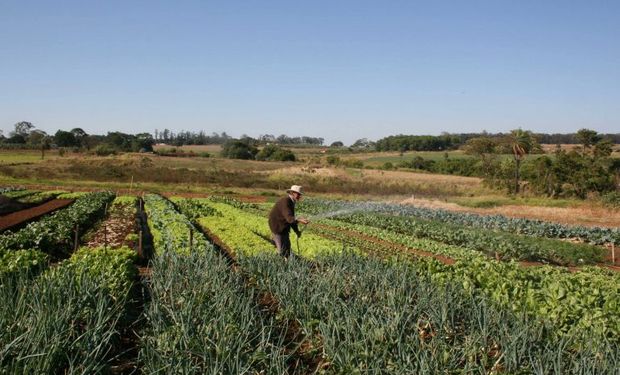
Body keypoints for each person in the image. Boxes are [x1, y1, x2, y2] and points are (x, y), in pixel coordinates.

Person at [268, 185, 309, 258]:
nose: (300, 196)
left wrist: (297, 231)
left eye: (300, 195)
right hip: (277, 227)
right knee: (281, 250)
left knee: (287, 248)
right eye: (298, 194)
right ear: (293, 193)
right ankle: (278, 262)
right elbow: (289, 218)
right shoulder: (286, 201)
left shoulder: (291, 202)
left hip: (284, 227)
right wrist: (299, 220)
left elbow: (291, 219)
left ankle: (286, 262)